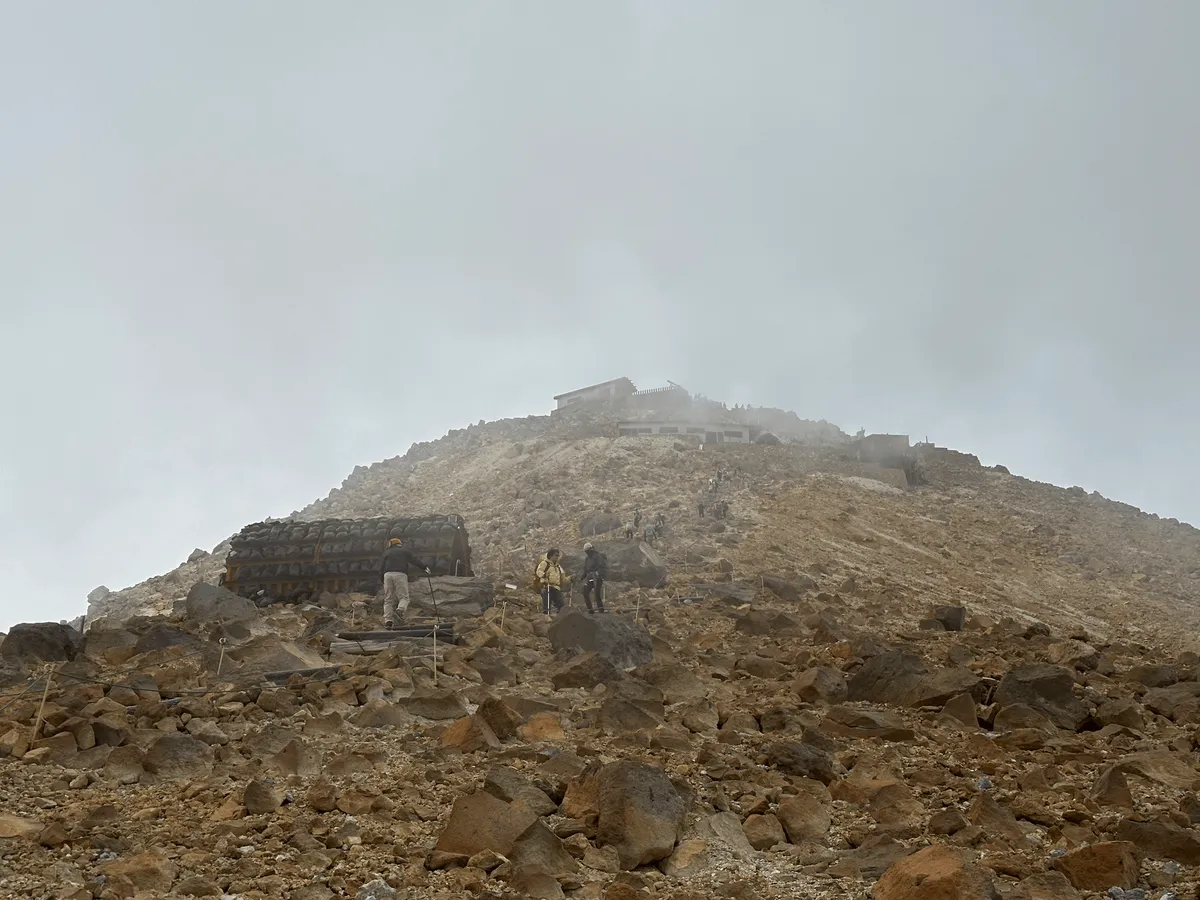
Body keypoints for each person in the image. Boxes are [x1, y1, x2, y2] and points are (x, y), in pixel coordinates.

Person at [379, 537, 431, 628]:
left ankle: (388, 621)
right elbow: (415, 560)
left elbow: (381, 567)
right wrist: (424, 568)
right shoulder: (404, 551)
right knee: (404, 598)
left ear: (391, 544)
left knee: (388, 599)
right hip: (400, 574)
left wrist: (382, 580)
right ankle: (400, 610)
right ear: (399, 544)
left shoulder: (386, 552)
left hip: (387, 575)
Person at [535, 548, 570, 616]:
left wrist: (570, 579)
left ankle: (559, 616)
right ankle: (546, 615)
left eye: (558, 555)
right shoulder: (545, 563)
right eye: (556, 555)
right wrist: (544, 575)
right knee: (547, 602)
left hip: (556, 587)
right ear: (550, 556)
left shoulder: (558, 567)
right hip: (547, 586)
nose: (557, 557)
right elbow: (538, 571)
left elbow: (563, 579)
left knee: (561, 604)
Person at [580, 542, 608, 613]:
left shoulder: (598, 556)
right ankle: (590, 610)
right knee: (585, 592)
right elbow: (585, 571)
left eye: (588, 550)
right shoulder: (587, 559)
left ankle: (601, 609)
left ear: (591, 548)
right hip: (590, 578)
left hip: (597, 577)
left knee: (597, 593)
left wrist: (599, 574)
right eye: (586, 551)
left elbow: (602, 566)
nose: (587, 552)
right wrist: (580, 578)